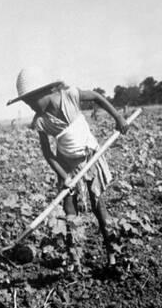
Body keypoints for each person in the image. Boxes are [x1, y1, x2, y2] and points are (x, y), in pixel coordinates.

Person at [7, 67, 129, 268]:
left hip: (90, 157)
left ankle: (112, 254)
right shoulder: (40, 121)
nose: (29, 106)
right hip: (66, 166)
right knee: (69, 211)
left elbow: (97, 97)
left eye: (31, 100)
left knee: (99, 207)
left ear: (45, 92)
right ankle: (75, 259)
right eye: (26, 102)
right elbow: (48, 154)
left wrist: (118, 117)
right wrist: (65, 176)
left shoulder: (70, 96)